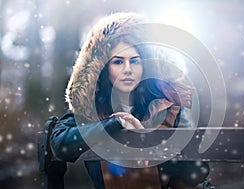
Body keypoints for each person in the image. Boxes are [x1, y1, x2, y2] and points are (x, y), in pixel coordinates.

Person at [50, 12, 212, 189]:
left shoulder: (167, 105)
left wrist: (149, 143)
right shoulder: (91, 109)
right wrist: (116, 123)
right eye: (118, 62)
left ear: (144, 65)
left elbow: (198, 171)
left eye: (135, 61)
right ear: (104, 68)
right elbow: (60, 144)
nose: (128, 69)